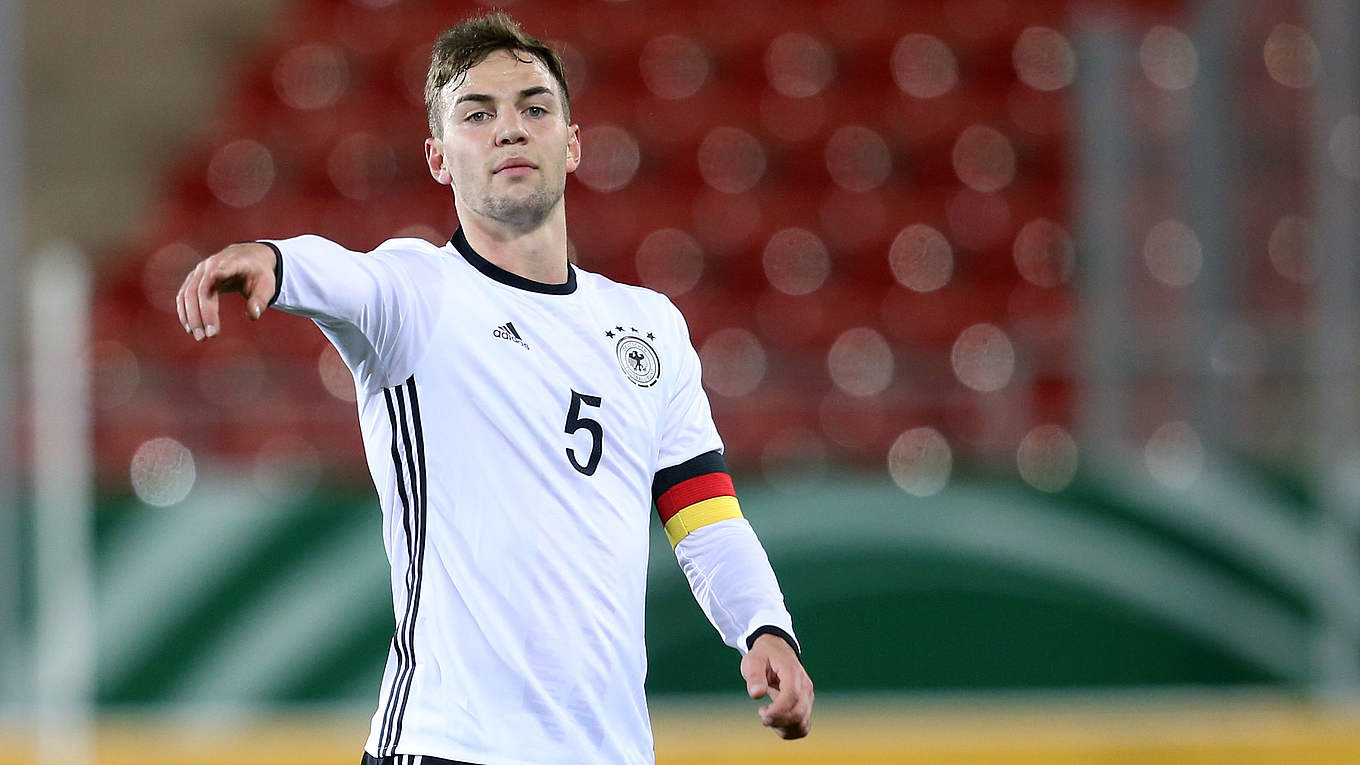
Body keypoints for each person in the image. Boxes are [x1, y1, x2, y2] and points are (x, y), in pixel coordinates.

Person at [175, 10, 812, 765]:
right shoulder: (417, 293)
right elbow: (342, 274)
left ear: (572, 142)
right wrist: (271, 259)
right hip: (448, 747)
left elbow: (703, 514)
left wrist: (764, 626)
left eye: (534, 109)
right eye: (477, 115)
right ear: (439, 157)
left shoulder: (649, 327)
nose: (510, 129)